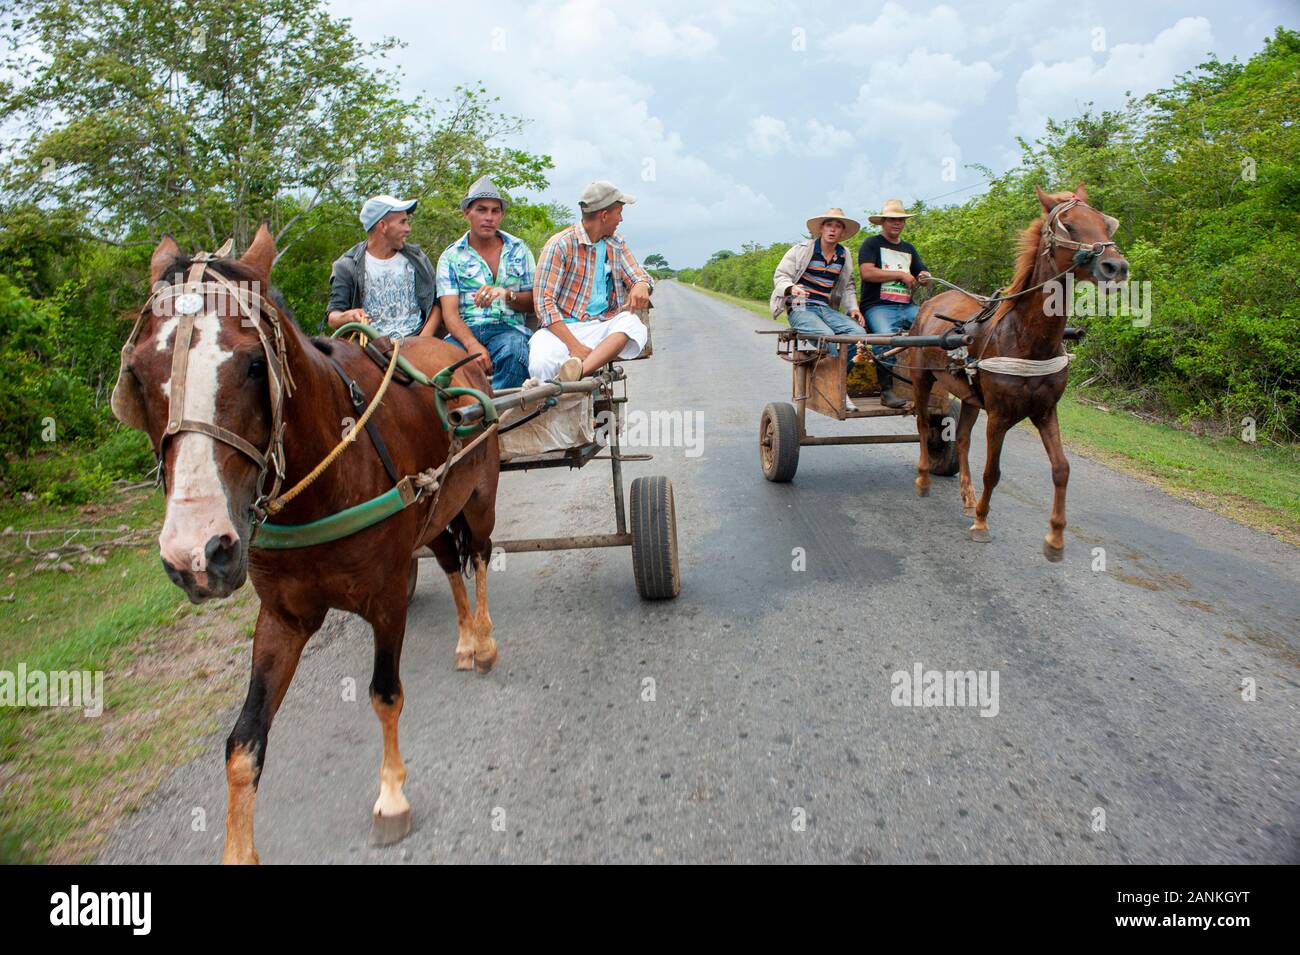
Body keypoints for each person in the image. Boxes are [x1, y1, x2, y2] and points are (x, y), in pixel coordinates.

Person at [529, 181, 651, 382]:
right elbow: (543, 303)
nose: (620, 219)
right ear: (603, 215)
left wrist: (641, 284)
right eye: (618, 212)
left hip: (599, 326)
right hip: (561, 329)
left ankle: (575, 375)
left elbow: (639, 275)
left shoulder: (616, 244)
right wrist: (574, 346)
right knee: (541, 363)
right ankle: (560, 392)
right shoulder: (560, 244)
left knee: (631, 323)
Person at [435, 176, 536, 390]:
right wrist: (472, 345)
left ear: (501, 215)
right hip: (465, 333)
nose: (489, 217)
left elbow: (533, 303)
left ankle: (496, 418)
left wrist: (506, 295)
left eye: (495, 211)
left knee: (515, 353)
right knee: (440, 365)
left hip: (508, 330)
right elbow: (450, 314)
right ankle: (464, 417)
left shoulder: (519, 249)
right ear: (467, 213)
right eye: (481, 210)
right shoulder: (451, 257)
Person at [769, 206, 866, 411]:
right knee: (826, 336)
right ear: (821, 229)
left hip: (824, 307)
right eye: (829, 225)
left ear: (842, 232)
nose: (832, 230)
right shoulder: (802, 250)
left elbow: (848, 285)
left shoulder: (844, 255)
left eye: (837, 226)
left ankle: (835, 382)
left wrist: (853, 308)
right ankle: (838, 389)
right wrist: (791, 287)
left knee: (858, 333)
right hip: (800, 306)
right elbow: (780, 276)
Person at [326, 195, 441, 339]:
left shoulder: (417, 259)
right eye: (403, 222)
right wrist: (348, 316)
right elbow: (333, 317)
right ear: (383, 226)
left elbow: (437, 304)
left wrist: (423, 341)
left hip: (418, 341)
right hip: (372, 349)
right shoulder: (347, 266)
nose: (408, 229)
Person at [858, 198, 931, 409]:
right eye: (892, 220)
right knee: (885, 339)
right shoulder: (871, 243)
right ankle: (886, 390)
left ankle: (933, 383)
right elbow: (867, 273)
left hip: (907, 306)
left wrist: (925, 275)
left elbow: (921, 272)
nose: (896, 223)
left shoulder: (908, 248)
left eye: (900, 220)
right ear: (883, 222)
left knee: (935, 330)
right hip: (878, 306)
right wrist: (900, 274)